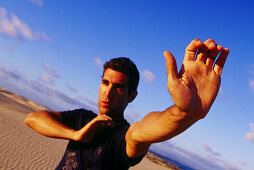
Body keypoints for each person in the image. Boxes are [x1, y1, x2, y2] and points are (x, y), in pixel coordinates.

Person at [24, 39, 229, 170]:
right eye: (105, 83)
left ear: (132, 96)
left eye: (119, 87)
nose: (108, 91)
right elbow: (33, 118)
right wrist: (76, 134)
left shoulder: (125, 136)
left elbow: (147, 129)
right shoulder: (82, 118)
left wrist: (183, 113)